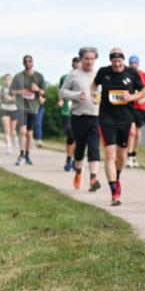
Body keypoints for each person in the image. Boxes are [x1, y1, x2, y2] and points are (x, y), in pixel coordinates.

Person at [93, 47, 145, 205]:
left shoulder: (131, 73)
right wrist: (94, 96)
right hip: (106, 118)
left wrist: (131, 97)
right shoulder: (104, 72)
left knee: (121, 155)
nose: (117, 64)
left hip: (125, 118)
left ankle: (117, 176)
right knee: (110, 155)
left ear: (123, 60)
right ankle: (114, 193)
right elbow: (93, 86)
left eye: (119, 61)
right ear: (110, 61)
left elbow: (143, 90)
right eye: (114, 61)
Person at [59, 47, 103, 192]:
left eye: (92, 59)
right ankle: (78, 172)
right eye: (86, 59)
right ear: (81, 59)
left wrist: (100, 99)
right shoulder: (74, 75)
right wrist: (76, 96)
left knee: (94, 148)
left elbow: (103, 92)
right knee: (80, 149)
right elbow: (62, 92)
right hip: (78, 117)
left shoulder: (99, 74)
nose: (89, 61)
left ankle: (93, 179)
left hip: (95, 116)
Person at [11, 55, 46, 166]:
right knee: (22, 131)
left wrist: (38, 89)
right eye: (25, 61)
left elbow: (44, 92)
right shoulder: (18, 77)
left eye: (29, 61)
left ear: (32, 63)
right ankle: (21, 155)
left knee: (29, 134)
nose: (27, 63)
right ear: (23, 63)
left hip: (33, 108)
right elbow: (11, 91)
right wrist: (20, 92)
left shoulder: (39, 76)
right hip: (21, 107)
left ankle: (27, 155)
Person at [125, 55, 145, 168]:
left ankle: (134, 156)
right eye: (131, 63)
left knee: (137, 133)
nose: (133, 65)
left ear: (138, 64)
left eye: (135, 63)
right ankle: (129, 156)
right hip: (130, 107)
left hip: (141, 107)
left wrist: (144, 98)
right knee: (131, 132)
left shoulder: (144, 75)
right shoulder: (126, 75)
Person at [58, 57, 80, 171]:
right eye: (75, 65)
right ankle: (68, 158)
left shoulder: (84, 78)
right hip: (66, 110)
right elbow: (60, 90)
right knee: (70, 135)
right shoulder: (65, 77)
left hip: (79, 110)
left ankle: (75, 160)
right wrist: (60, 100)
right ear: (72, 65)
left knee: (77, 137)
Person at [0, 74, 18, 154]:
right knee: (7, 130)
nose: (7, 81)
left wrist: (11, 98)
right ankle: (8, 147)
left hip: (13, 109)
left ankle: (14, 137)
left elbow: (17, 99)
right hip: (4, 109)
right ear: (4, 80)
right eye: (6, 79)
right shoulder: (1, 88)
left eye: (9, 79)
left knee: (12, 131)